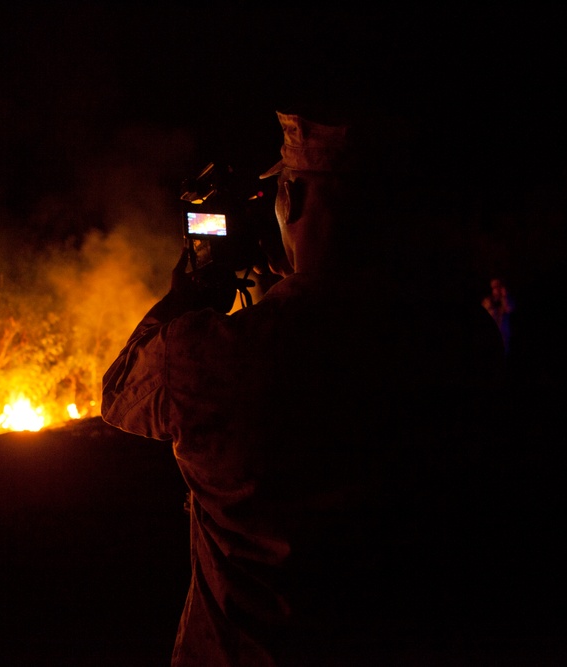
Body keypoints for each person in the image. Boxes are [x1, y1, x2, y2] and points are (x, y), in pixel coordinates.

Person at [102, 112, 505, 664]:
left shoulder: (218, 357)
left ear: (290, 196)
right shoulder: (461, 338)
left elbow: (121, 390)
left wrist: (192, 293)